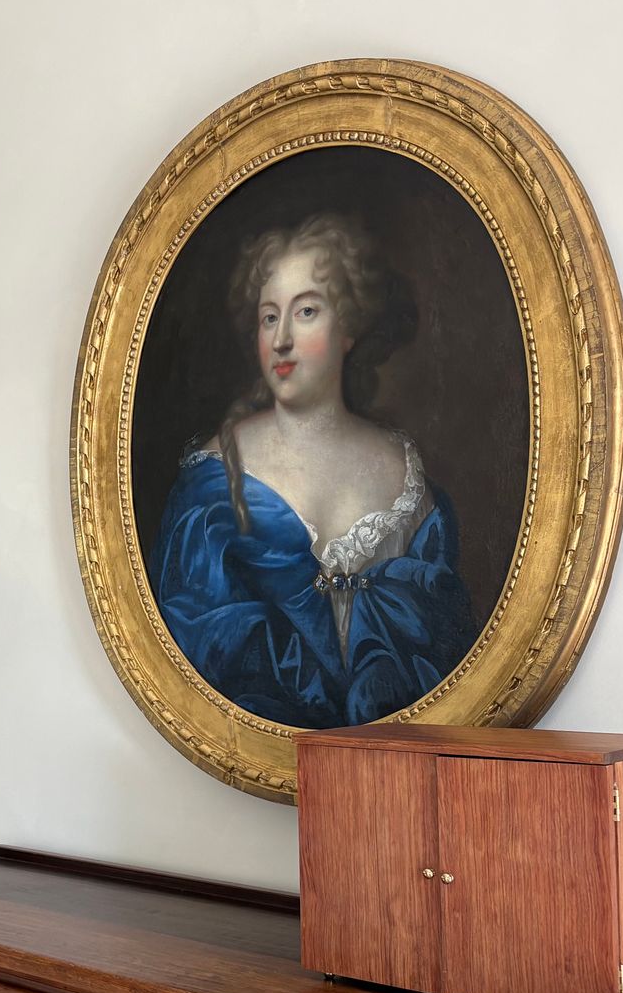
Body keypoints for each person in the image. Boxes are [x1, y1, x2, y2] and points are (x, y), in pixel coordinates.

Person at [149, 213, 473, 727]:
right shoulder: (211, 483)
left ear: (347, 326)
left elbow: (441, 638)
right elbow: (193, 652)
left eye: (305, 311)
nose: (281, 340)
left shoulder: (405, 472)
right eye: (269, 317)